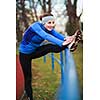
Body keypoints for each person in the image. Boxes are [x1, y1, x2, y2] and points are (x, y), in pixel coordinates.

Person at [19, 13, 79, 100]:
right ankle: (29, 97)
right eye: (49, 23)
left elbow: (58, 36)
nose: (51, 25)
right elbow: (46, 36)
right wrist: (62, 43)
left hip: (35, 51)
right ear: (43, 23)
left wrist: (68, 39)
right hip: (24, 54)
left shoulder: (49, 29)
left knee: (50, 47)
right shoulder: (35, 27)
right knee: (28, 77)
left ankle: (69, 45)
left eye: (53, 22)